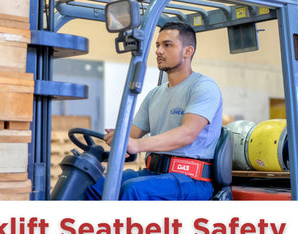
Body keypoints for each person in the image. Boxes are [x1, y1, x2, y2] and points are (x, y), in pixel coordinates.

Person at [84, 21, 223, 200]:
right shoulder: (156, 93)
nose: (158, 51)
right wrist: (118, 136)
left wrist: (137, 144)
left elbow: (187, 134)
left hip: (192, 179)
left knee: (133, 190)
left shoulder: (203, 87)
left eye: (167, 45)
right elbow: (133, 133)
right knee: (91, 182)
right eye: (158, 45)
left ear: (188, 51)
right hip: (154, 172)